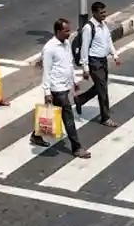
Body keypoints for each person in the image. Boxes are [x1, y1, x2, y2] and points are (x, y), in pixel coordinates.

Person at [30, 18, 91, 158]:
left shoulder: (66, 43)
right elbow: (47, 70)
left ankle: (36, 135)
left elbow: (69, 64)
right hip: (56, 88)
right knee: (68, 116)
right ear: (58, 31)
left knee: (50, 113)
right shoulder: (49, 48)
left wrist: (74, 80)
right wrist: (47, 92)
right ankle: (77, 147)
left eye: (69, 30)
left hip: (65, 85)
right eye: (66, 31)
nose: (69, 33)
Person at [75, 1, 120, 127]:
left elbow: (108, 40)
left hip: (103, 60)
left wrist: (114, 55)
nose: (104, 15)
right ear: (94, 13)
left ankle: (80, 99)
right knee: (103, 90)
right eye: (101, 13)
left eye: (105, 12)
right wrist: (85, 67)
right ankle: (105, 117)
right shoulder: (89, 28)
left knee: (101, 86)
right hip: (94, 61)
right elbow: (84, 47)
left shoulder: (103, 24)